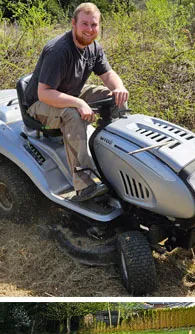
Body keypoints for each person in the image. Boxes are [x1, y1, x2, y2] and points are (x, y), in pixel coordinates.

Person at [23, 2, 129, 202]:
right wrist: (79, 104)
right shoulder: (59, 50)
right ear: (73, 24)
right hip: (40, 104)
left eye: (94, 25)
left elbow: (108, 74)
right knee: (72, 115)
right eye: (85, 24)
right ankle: (84, 185)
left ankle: (112, 156)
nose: (89, 29)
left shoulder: (93, 47)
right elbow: (44, 93)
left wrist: (119, 88)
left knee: (114, 97)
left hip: (71, 92)